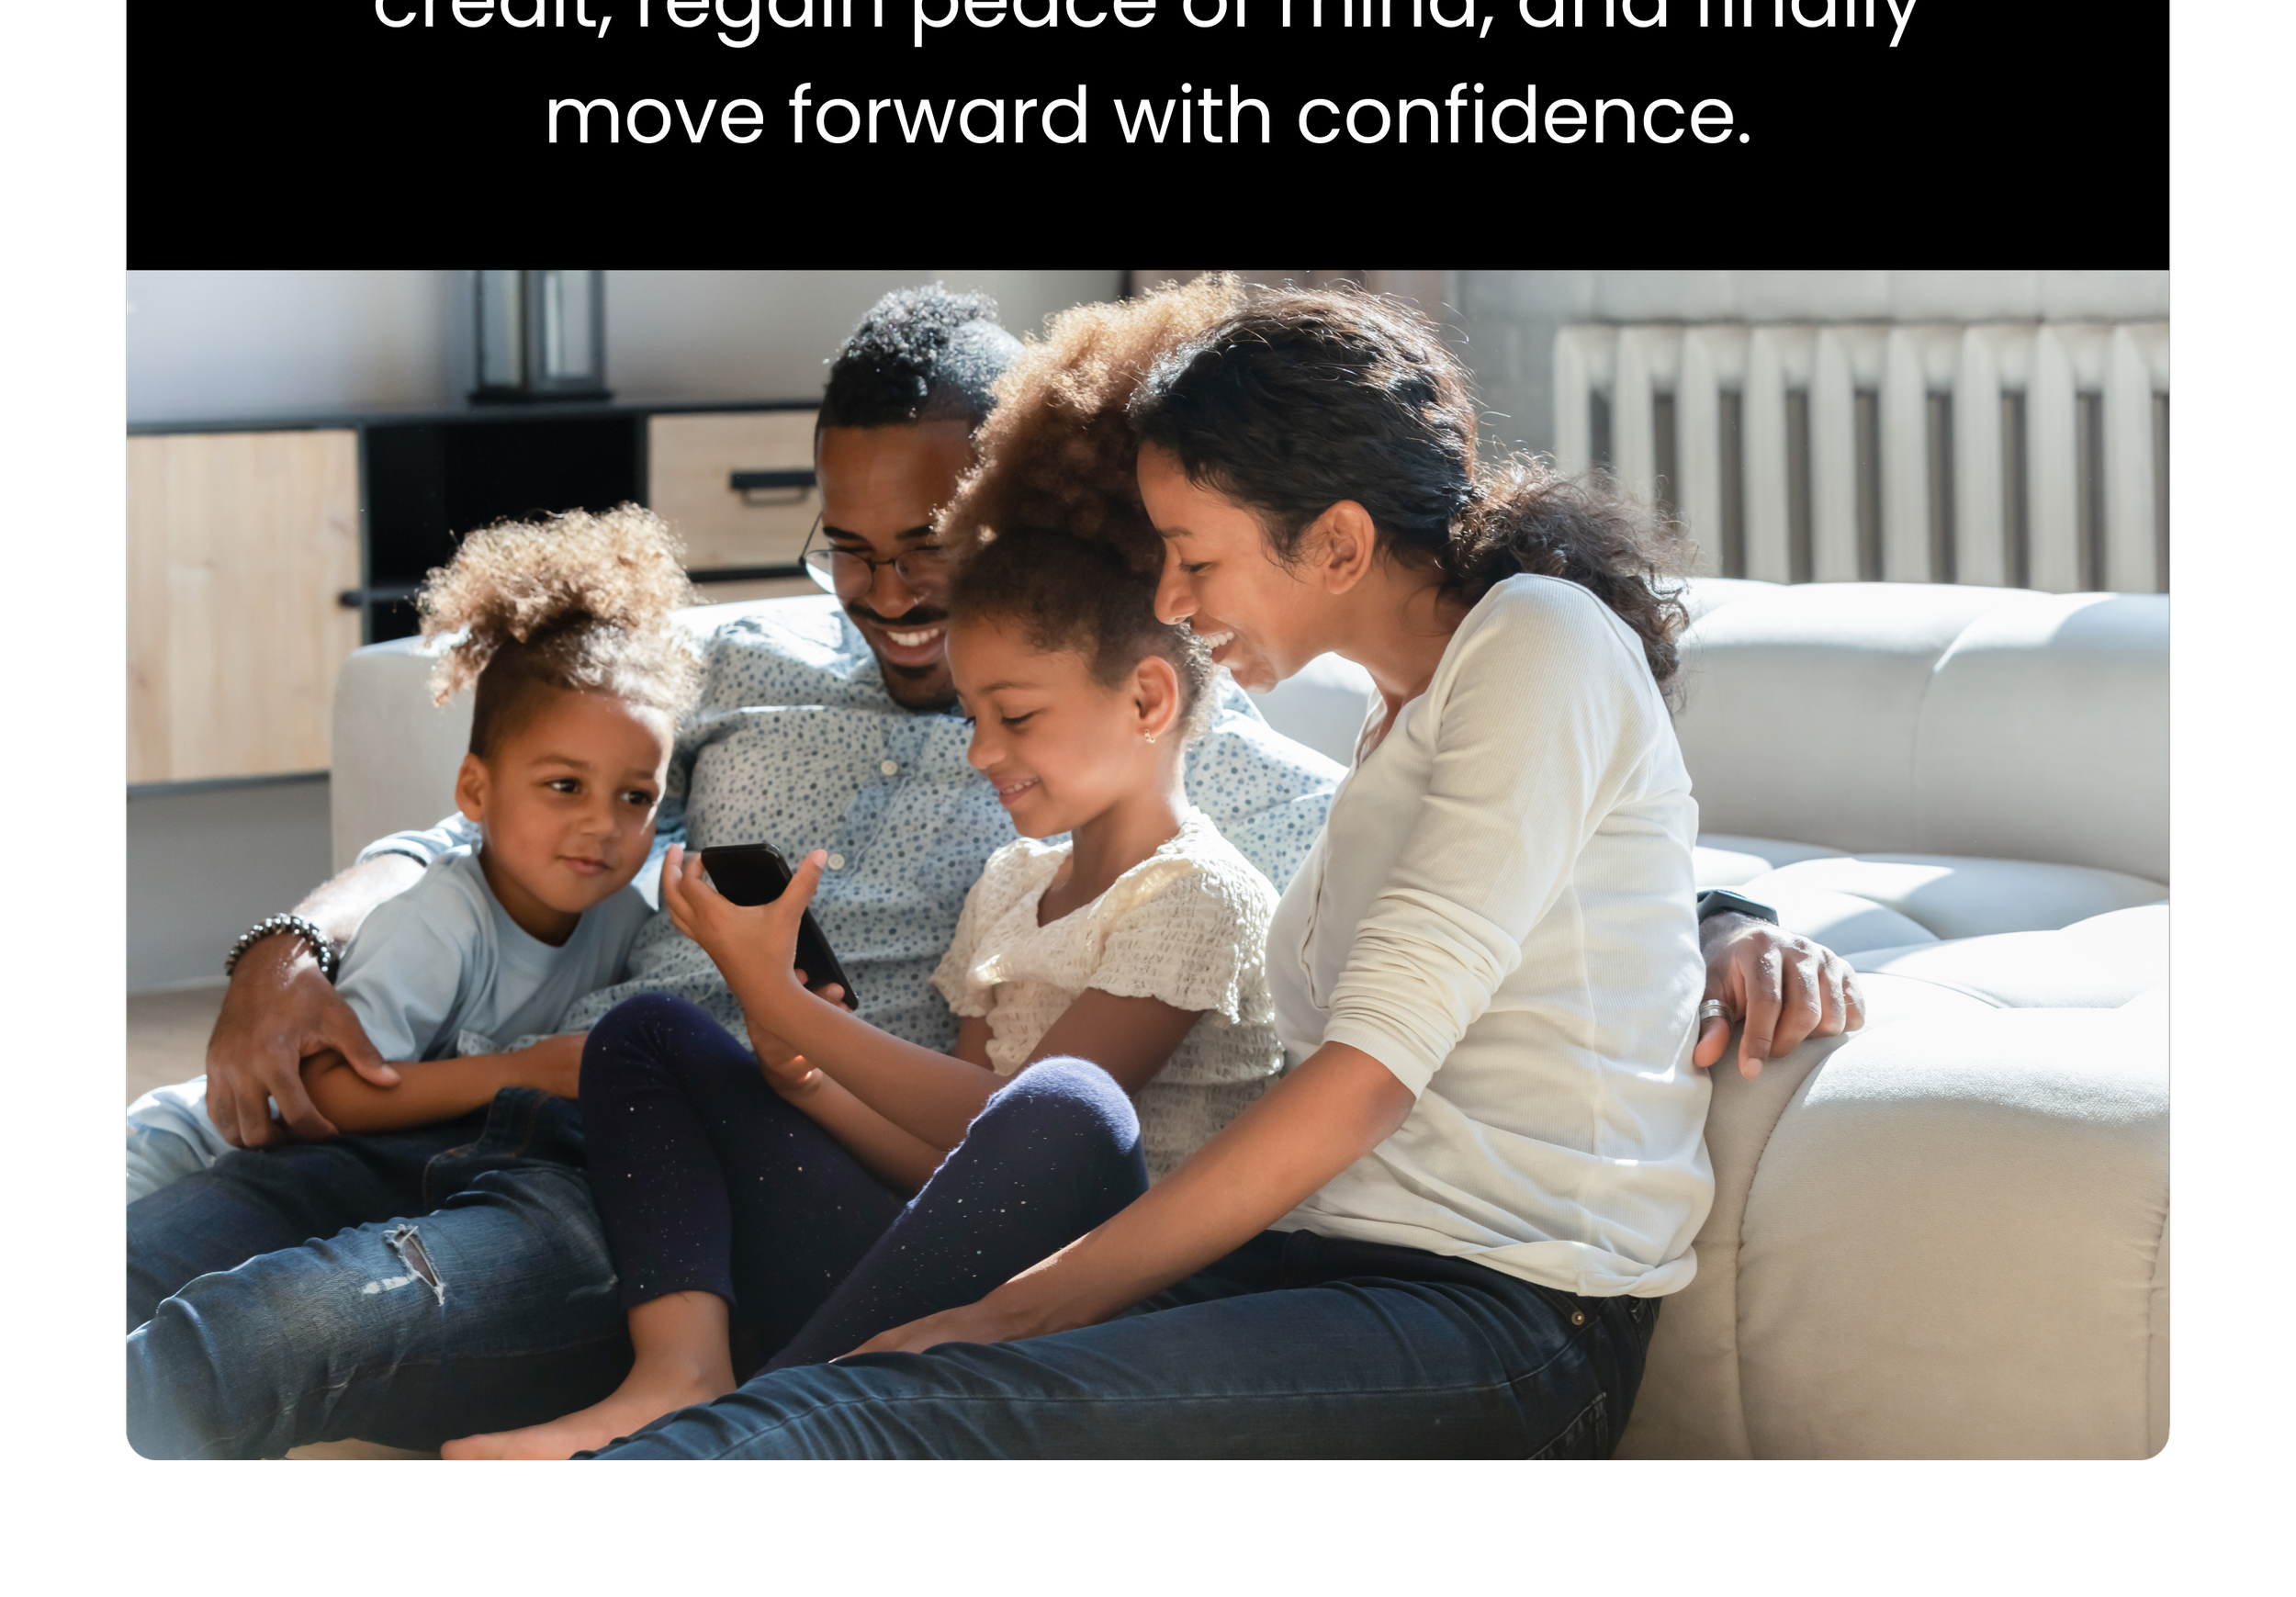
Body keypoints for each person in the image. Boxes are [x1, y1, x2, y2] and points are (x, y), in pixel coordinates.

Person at [127, 281, 1856, 1458]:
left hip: (741, 1221)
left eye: (933, 555)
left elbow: (1468, 950)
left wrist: (1729, 916)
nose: (887, 596)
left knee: (274, 1339)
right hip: (565, 1108)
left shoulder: (1219, 742)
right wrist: (299, 930)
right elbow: (520, 786)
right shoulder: (747, 674)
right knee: (175, 1213)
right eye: (849, 547)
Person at [447, 379, 1281, 1458]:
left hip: (1093, 1299)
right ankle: (681, 1380)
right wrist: (811, 1083)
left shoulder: (1198, 897)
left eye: (1015, 716)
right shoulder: (1012, 884)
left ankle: (749, 1426)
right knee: (646, 1036)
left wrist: (781, 1003)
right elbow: (947, 1167)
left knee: (1066, 1106)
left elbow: (1023, 1127)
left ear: (1148, 701)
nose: (982, 751)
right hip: (936, 1267)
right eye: (974, 715)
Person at [125, 507, 698, 1206]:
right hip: (188, 1154)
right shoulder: (438, 921)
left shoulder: (622, 919)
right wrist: (526, 1070)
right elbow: (333, 1090)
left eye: (635, 797)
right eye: (563, 786)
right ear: (474, 789)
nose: (602, 824)